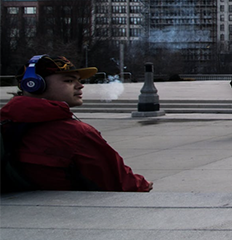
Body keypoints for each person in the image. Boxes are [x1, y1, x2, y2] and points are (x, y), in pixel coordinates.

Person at [0, 54, 152, 191]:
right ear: (34, 84)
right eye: (69, 80)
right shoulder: (74, 134)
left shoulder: (5, 121)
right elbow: (121, 183)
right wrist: (144, 185)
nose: (80, 85)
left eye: (78, 80)